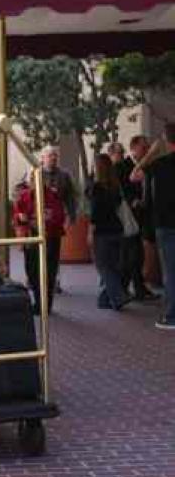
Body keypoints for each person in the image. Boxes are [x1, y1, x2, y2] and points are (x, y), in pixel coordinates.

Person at [132, 123, 175, 329]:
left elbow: (134, 175)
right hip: (165, 224)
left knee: (170, 271)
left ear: (166, 141)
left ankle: (172, 316)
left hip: (166, 224)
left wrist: (152, 152)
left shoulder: (159, 164)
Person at [110, 139, 158, 300]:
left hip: (144, 215)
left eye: (148, 147)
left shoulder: (150, 166)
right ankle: (123, 289)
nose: (146, 150)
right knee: (129, 254)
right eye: (143, 148)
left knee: (137, 254)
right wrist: (132, 200)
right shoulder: (121, 166)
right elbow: (120, 188)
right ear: (134, 149)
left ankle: (138, 288)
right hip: (129, 216)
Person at [12, 176, 66, 315]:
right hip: (31, 237)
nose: (35, 182)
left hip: (50, 238)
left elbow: (59, 216)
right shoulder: (24, 196)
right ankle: (38, 301)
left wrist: (44, 218)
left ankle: (45, 306)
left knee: (48, 272)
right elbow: (16, 214)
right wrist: (20, 217)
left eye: (39, 179)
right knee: (32, 271)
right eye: (33, 179)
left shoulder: (52, 195)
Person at [89, 154, 131, 311]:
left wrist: (89, 232)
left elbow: (95, 213)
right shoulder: (115, 186)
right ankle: (105, 300)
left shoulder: (97, 188)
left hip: (102, 232)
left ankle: (118, 297)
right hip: (117, 230)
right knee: (113, 266)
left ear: (98, 168)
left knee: (103, 267)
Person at [39, 145, 78, 294]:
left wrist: (71, 216)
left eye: (55, 155)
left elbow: (71, 197)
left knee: (53, 252)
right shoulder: (35, 173)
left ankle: (53, 281)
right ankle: (39, 279)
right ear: (43, 158)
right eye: (50, 155)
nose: (53, 158)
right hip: (38, 221)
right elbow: (20, 192)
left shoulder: (64, 175)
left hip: (56, 220)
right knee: (41, 251)